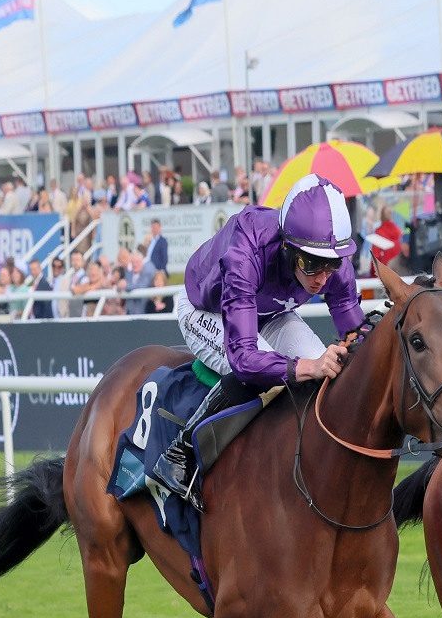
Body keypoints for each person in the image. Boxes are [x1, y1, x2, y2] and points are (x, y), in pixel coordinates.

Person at [154, 175, 361, 507]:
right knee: (275, 374)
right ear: (286, 246)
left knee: (328, 369)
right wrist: (305, 367)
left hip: (269, 313)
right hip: (208, 310)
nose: (323, 277)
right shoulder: (245, 252)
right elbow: (244, 358)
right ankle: (180, 453)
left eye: (332, 265)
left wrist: (358, 344)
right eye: (311, 265)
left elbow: (353, 331)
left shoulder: (332, 260)